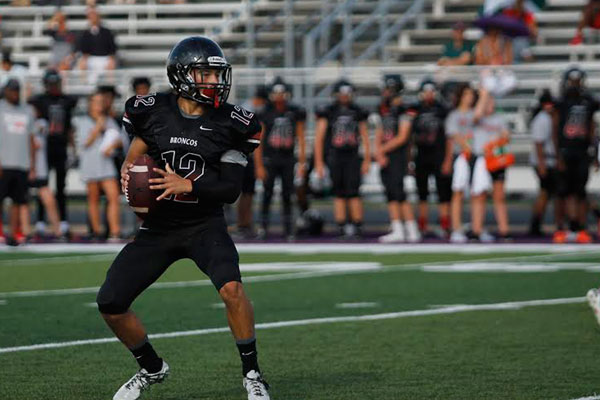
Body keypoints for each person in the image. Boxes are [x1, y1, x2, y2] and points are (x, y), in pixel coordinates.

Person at [96, 36, 270, 400]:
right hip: (159, 227)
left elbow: (229, 189)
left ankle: (252, 374)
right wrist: (130, 176)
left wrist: (187, 183)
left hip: (204, 225)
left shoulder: (232, 123)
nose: (213, 81)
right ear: (182, 76)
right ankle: (151, 367)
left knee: (233, 290)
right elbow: (133, 159)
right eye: (205, 73)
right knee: (110, 302)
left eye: (216, 74)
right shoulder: (153, 110)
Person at [314, 79, 370, 239]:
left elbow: (365, 137)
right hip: (335, 156)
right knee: (338, 192)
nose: (345, 96)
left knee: (354, 192)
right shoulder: (329, 111)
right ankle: (342, 225)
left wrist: (366, 159)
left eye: (347, 93)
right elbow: (319, 138)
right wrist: (318, 162)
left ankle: (357, 225)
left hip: (352, 156)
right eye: (342, 93)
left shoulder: (357, 111)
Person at [254, 78, 306, 240]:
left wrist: (302, 162)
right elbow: (259, 140)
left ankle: (288, 228)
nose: (279, 96)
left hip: (287, 158)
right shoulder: (265, 113)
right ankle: (263, 227)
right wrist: (259, 165)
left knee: (287, 194)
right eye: (276, 93)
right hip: (270, 157)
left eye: (281, 93)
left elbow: (300, 138)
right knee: (267, 193)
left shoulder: (293, 112)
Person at [553, 67, 599, 243]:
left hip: (581, 151)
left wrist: (595, 154)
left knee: (580, 192)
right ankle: (560, 228)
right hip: (565, 151)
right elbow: (555, 129)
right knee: (562, 192)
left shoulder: (588, 101)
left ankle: (580, 228)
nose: (575, 84)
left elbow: (592, 129)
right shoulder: (561, 102)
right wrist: (557, 155)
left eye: (577, 81)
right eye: (572, 81)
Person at [29, 69, 77, 236]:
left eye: (55, 83)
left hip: (61, 147)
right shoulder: (39, 101)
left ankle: (63, 220)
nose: (54, 86)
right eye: (51, 84)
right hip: (45, 148)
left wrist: (72, 149)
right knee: (43, 185)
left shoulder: (66, 101)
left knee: (61, 187)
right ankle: (41, 220)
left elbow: (70, 127)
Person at [374, 74, 420, 243]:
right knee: (390, 193)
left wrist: (381, 151)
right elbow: (380, 131)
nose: (384, 92)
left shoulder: (405, 109)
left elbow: (402, 137)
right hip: (386, 154)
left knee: (400, 193)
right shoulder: (383, 108)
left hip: (398, 155)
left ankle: (411, 228)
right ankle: (398, 228)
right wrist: (378, 151)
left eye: (387, 88)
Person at [404, 79, 452, 237]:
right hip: (421, 156)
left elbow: (448, 137)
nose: (429, 94)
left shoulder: (442, 110)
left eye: (432, 91)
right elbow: (410, 137)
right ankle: (422, 225)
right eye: (426, 91)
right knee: (422, 193)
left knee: (443, 192)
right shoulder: (414, 110)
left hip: (439, 155)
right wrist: (409, 159)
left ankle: (445, 225)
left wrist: (447, 159)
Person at [74, 92, 121, 241]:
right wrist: (98, 128)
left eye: (101, 102)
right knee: (93, 199)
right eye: (96, 102)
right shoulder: (82, 121)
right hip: (91, 163)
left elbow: (120, 140)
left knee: (113, 196)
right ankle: (96, 231)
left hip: (106, 164)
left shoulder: (109, 121)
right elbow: (83, 143)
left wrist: (112, 145)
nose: (99, 105)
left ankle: (115, 232)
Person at [469, 88, 512, 241]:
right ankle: (476, 230)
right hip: (481, 159)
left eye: (492, 101)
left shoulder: (499, 119)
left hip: (496, 159)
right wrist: (484, 94)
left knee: (499, 196)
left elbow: (506, 137)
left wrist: (498, 143)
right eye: (487, 102)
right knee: (479, 195)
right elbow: (476, 115)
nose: (490, 104)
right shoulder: (478, 117)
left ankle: (504, 230)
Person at [0, 79, 35, 244]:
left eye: (16, 90)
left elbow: (31, 139)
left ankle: (13, 234)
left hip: (21, 163)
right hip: (4, 162)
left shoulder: (27, 110)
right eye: (11, 90)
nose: (14, 93)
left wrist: (32, 165)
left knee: (17, 201)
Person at [529, 90, 563, 237]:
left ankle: (540, 224)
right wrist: (542, 165)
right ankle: (535, 224)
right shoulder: (542, 119)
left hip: (550, 160)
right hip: (544, 161)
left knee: (549, 193)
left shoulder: (552, 118)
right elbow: (538, 144)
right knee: (546, 192)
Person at [236, 85, 268, 239]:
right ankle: (243, 224)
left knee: (247, 192)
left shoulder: (245, 108)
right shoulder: (249, 112)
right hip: (244, 155)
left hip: (243, 155)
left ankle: (244, 224)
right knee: (246, 192)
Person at [447, 83, 477, 243]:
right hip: (461, 156)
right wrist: (467, 147)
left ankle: (476, 226)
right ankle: (456, 227)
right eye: (466, 94)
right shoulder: (455, 115)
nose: (469, 98)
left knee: (476, 192)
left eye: (471, 94)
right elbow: (454, 136)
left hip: (476, 156)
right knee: (458, 192)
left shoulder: (475, 114)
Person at [30, 115, 62, 239]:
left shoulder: (40, 123)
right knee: (21, 202)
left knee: (48, 199)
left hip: (38, 168)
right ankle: (23, 231)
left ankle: (57, 230)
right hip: (22, 165)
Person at [77, 6, 117, 83]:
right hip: (91, 59)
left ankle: (110, 84)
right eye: (91, 16)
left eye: (95, 16)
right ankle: (83, 84)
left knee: (112, 63)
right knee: (82, 62)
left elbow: (112, 48)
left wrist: (111, 58)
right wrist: (85, 58)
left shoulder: (107, 32)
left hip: (105, 58)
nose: (93, 18)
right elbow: (83, 49)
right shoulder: (85, 33)